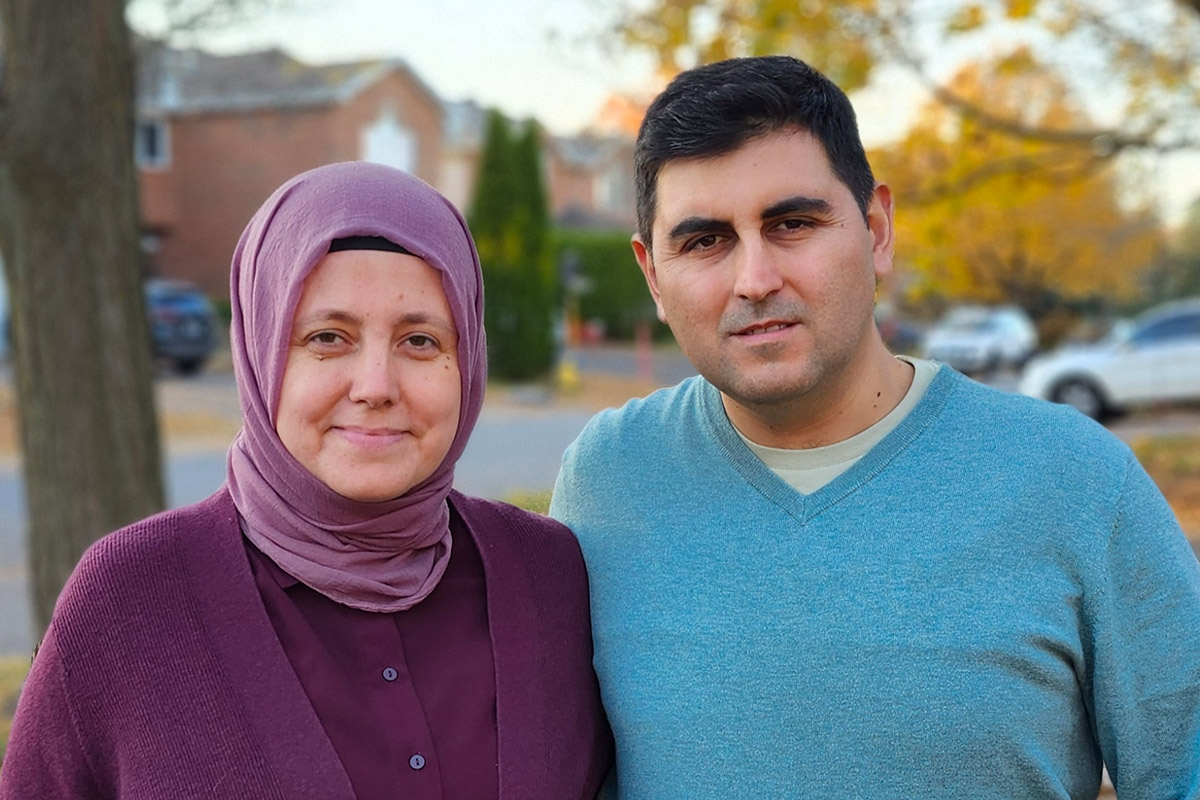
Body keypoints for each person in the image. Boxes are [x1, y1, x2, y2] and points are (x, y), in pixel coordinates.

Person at [551, 55, 1200, 799]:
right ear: (652, 277)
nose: (755, 279)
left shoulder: (1076, 482)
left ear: (877, 229)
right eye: (705, 241)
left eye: (792, 223)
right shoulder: (606, 479)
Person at [2, 162, 611, 799]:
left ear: (469, 360)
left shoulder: (549, 580)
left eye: (421, 341)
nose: (375, 385)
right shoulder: (130, 602)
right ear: (262, 352)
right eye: (327, 337)